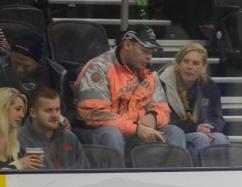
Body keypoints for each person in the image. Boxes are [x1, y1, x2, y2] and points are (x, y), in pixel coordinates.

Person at [75, 24, 186, 159]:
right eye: (145, 51)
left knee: (175, 132)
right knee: (111, 134)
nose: (149, 57)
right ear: (127, 45)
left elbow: (163, 109)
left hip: (139, 130)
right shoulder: (99, 67)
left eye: (151, 52)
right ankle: (115, 178)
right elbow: (95, 113)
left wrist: (153, 118)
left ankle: (170, 178)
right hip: (102, 132)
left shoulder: (149, 73)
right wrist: (135, 128)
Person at [159, 43, 229, 165]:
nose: (190, 67)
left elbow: (217, 117)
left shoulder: (208, 85)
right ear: (179, 63)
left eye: (196, 63)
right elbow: (164, 119)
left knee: (221, 139)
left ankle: (218, 180)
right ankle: (194, 178)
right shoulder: (164, 82)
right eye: (186, 61)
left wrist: (209, 128)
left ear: (203, 67)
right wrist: (195, 128)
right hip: (173, 132)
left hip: (199, 130)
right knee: (200, 138)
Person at [18, 87, 89, 169]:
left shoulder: (69, 137)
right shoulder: (18, 139)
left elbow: (84, 172)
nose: (55, 115)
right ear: (33, 113)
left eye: (57, 110)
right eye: (48, 110)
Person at [0, 32, 72, 110]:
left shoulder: (57, 73)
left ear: (38, 61)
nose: (19, 69)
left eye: (26, 66)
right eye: (16, 62)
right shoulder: (1, 67)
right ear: (10, 55)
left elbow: (66, 109)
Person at [0, 87, 42, 170]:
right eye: (18, 109)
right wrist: (18, 165)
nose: (22, 115)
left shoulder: (14, 143)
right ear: (3, 108)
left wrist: (26, 167)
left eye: (22, 111)